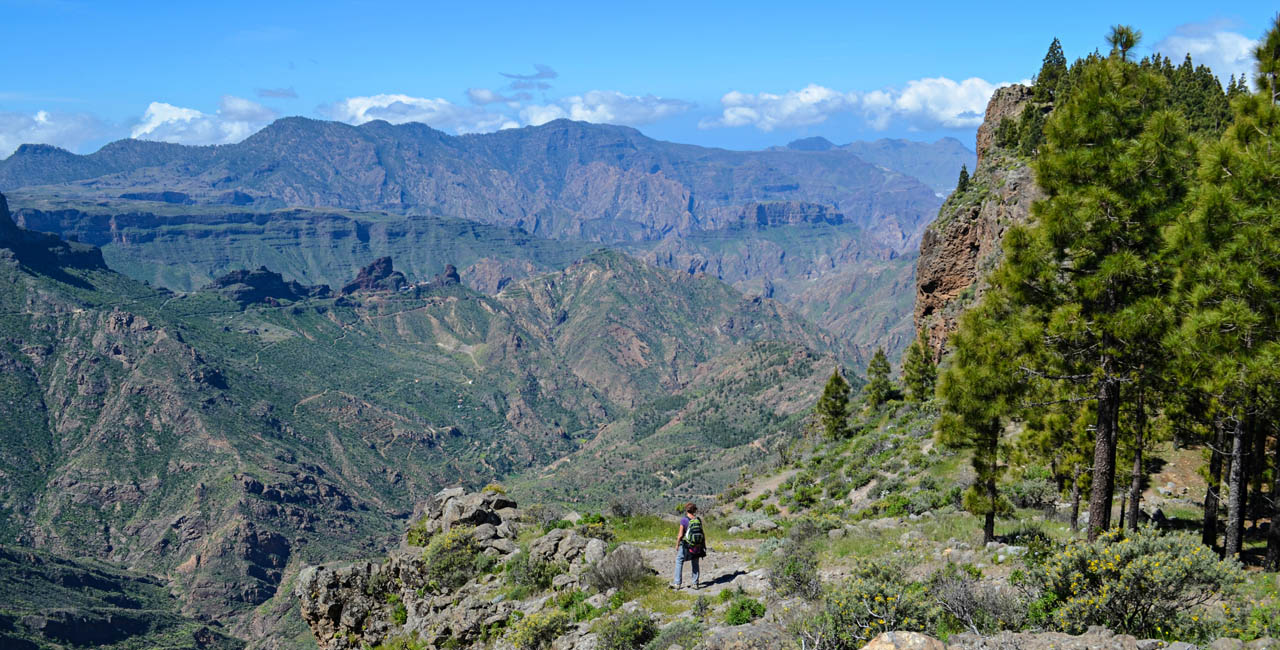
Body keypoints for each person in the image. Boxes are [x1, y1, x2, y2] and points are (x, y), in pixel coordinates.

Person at [672, 502, 706, 589]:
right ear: (694, 510)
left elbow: (680, 535)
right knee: (695, 563)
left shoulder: (684, 520)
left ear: (686, 510)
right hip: (697, 545)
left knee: (679, 560)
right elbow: (702, 533)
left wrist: (677, 544)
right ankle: (695, 583)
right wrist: (703, 545)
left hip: (687, 545)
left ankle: (677, 583)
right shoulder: (698, 520)